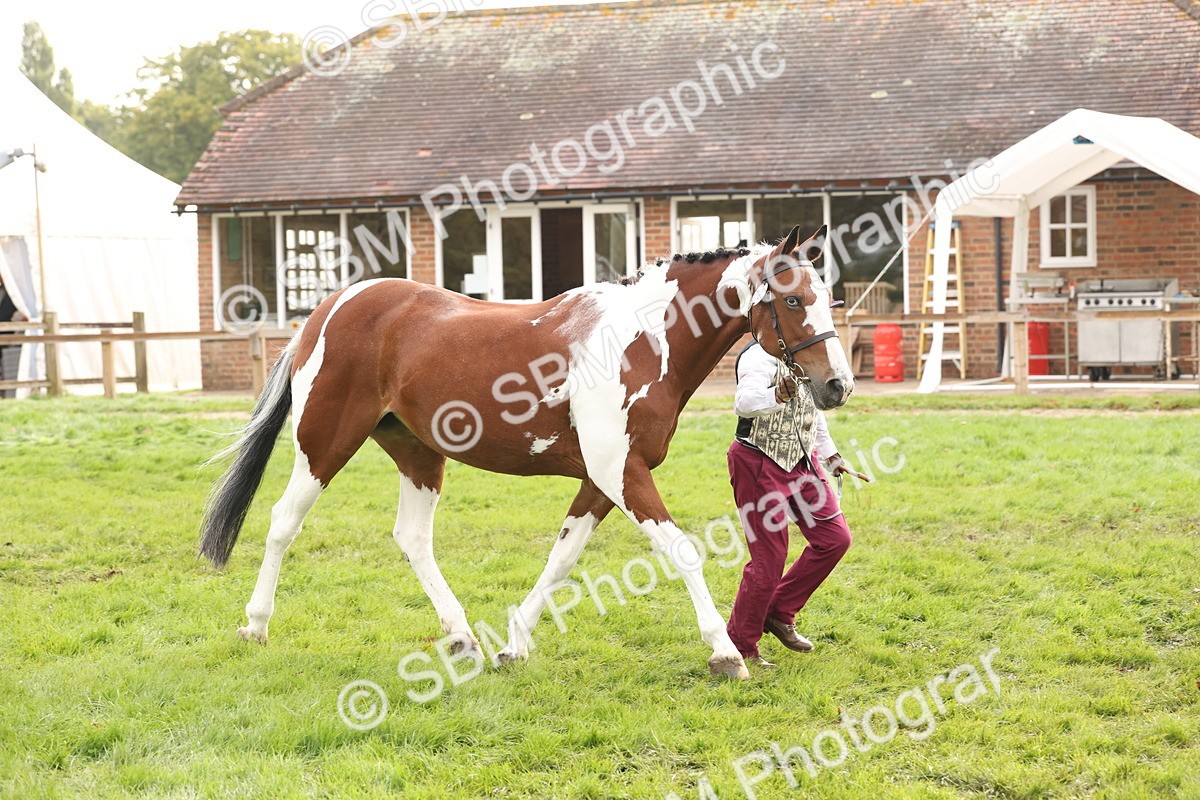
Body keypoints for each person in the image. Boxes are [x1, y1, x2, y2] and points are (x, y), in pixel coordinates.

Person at [726, 341, 868, 669]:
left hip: (804, 460)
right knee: (769, 562)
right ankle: (740, 646)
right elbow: (743, 403)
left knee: (835, 539)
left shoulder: (810, 353)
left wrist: (831, 457)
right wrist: (777, 394)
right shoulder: (758, 356)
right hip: (758, 461)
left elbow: (811, 412)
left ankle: (778, 612)